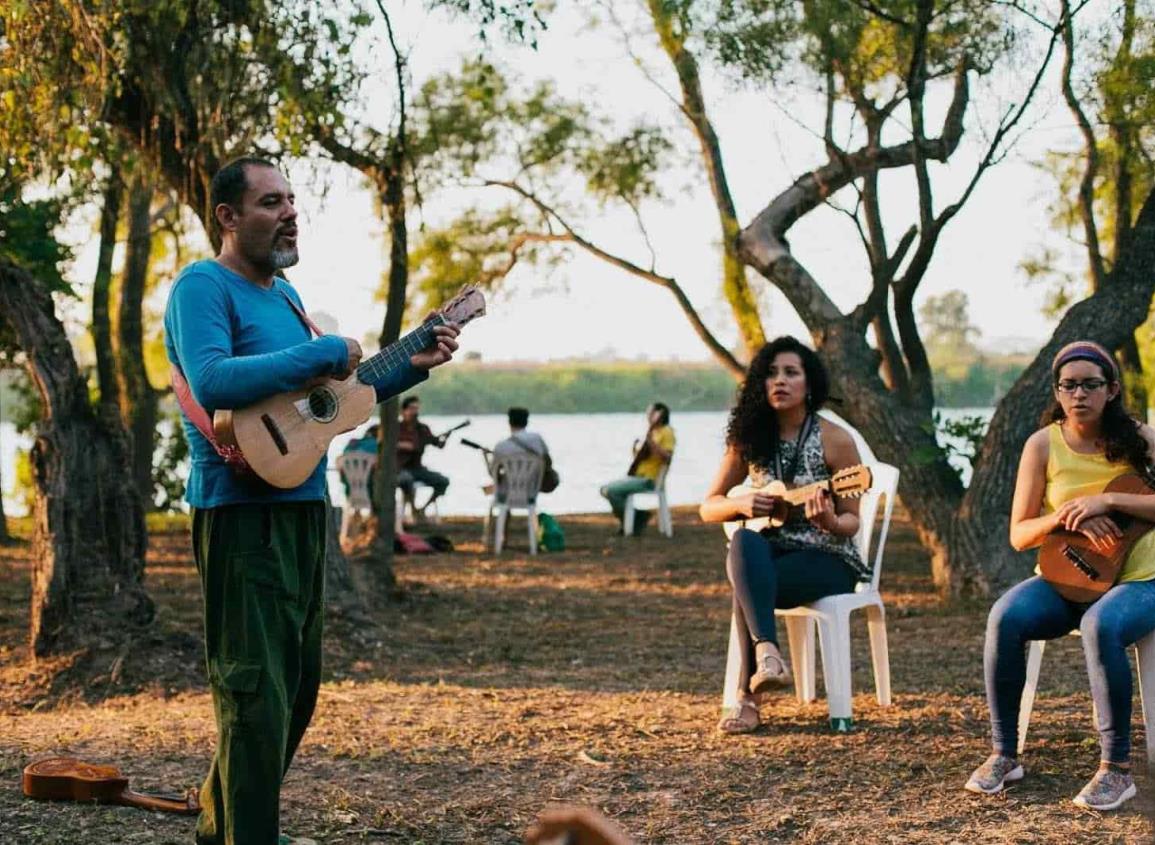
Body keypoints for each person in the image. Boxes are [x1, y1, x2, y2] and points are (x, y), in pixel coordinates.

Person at [164, 156, 459, 845]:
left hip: (302, 507)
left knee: (294, 689)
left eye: (292, 200)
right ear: (228, 217)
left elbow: (318, 409)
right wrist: (323, 349)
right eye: (270, 202)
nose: (290, 212)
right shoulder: (203, 286)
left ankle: (223, 823)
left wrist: (403, 370)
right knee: (252, 692)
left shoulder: (286, 297)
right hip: (239, 514)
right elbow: (212, 379)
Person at [964, 340, 1155, 811]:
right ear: (1057, 391)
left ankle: (1116, 769)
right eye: (1068, 386)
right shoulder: (1042, 444)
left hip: (1140, 581)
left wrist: (1108, 501)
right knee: (1005, 616)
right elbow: (1019, 534)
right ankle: (1004, 754)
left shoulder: (1142, 439)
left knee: (1102, 624)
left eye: (1090, 384)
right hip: (1067, 579)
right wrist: (1067, 516)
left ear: (1111, 389)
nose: (1078, 395)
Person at [698, 336, 870, 735]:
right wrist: (740, 506)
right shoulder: (749, 438)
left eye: (791, 373)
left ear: (809, 384)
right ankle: (769, 654)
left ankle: (748, 699)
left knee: (747, 584)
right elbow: (709, 505)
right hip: (768, 556)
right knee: (743, 543)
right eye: (771, 373)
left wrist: (828, 520)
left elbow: (851, 522)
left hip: (828, 560)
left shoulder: (834, 439)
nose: (780, 381)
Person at [600, 402, 675, 535]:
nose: (648, 416)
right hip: (638, 476)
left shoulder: (666, 432)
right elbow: (645, 458)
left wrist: (651, 443)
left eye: (651, 413)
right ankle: (637, 517)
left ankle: (634, 519)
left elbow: (667, 457)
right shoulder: (653, 432)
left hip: (650, 479)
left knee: (611, 491)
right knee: (605, 490)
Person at [396, 395, 451, 517]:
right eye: (411, 408)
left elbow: (438, 444)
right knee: (406, 480)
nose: (414, 412)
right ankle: (413, 509)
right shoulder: (396, 428)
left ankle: (422, 509)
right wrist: (402, 445)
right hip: (400, 469)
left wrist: (446, 437)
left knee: (443, 481)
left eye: (416, 409)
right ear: (403, 411)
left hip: (418, 469)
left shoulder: (423, 429)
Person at [491, 406, 551, 500]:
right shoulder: (537, 439)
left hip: (507, 491)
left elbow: (493, 473)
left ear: (509, 422)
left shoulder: (501, 446)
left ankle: (504, 511)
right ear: (526, 422)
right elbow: (548, 461)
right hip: (532, 490)